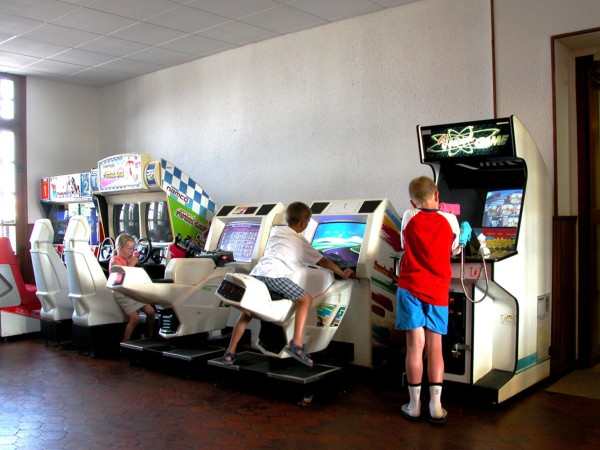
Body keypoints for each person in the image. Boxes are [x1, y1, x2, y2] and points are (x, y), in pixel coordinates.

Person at [223, 201, 355, 367]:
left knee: (247, 313)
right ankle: (297, 344)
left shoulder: (276, 231)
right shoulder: (300, 241)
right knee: (306, 299)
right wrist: (342, 273)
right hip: (274, 276)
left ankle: (230, 352)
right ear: (304, 223)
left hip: (256, 273)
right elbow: (324, 261)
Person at [396, 176, 462, 425]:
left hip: (410, 287)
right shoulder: (450, 220)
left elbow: (404, 244)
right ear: (437, 196)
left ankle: (413, 406)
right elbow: (454, 249)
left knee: (415, 346)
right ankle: (436, 407)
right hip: (437, 290)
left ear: (412, 201)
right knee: (435, 347)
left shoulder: (408, 216)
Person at [109, 233, 156, 342]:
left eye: (133, 249)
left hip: (131, 290)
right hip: (121, 292)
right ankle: (125, 342)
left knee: (151, 312)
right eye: (129, 249)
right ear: (119, 248)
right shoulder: (115, 261)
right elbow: (125, 276)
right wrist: (133, 262)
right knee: (135, 318)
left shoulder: (128, 259)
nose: (131, 252)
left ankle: (148, 336)